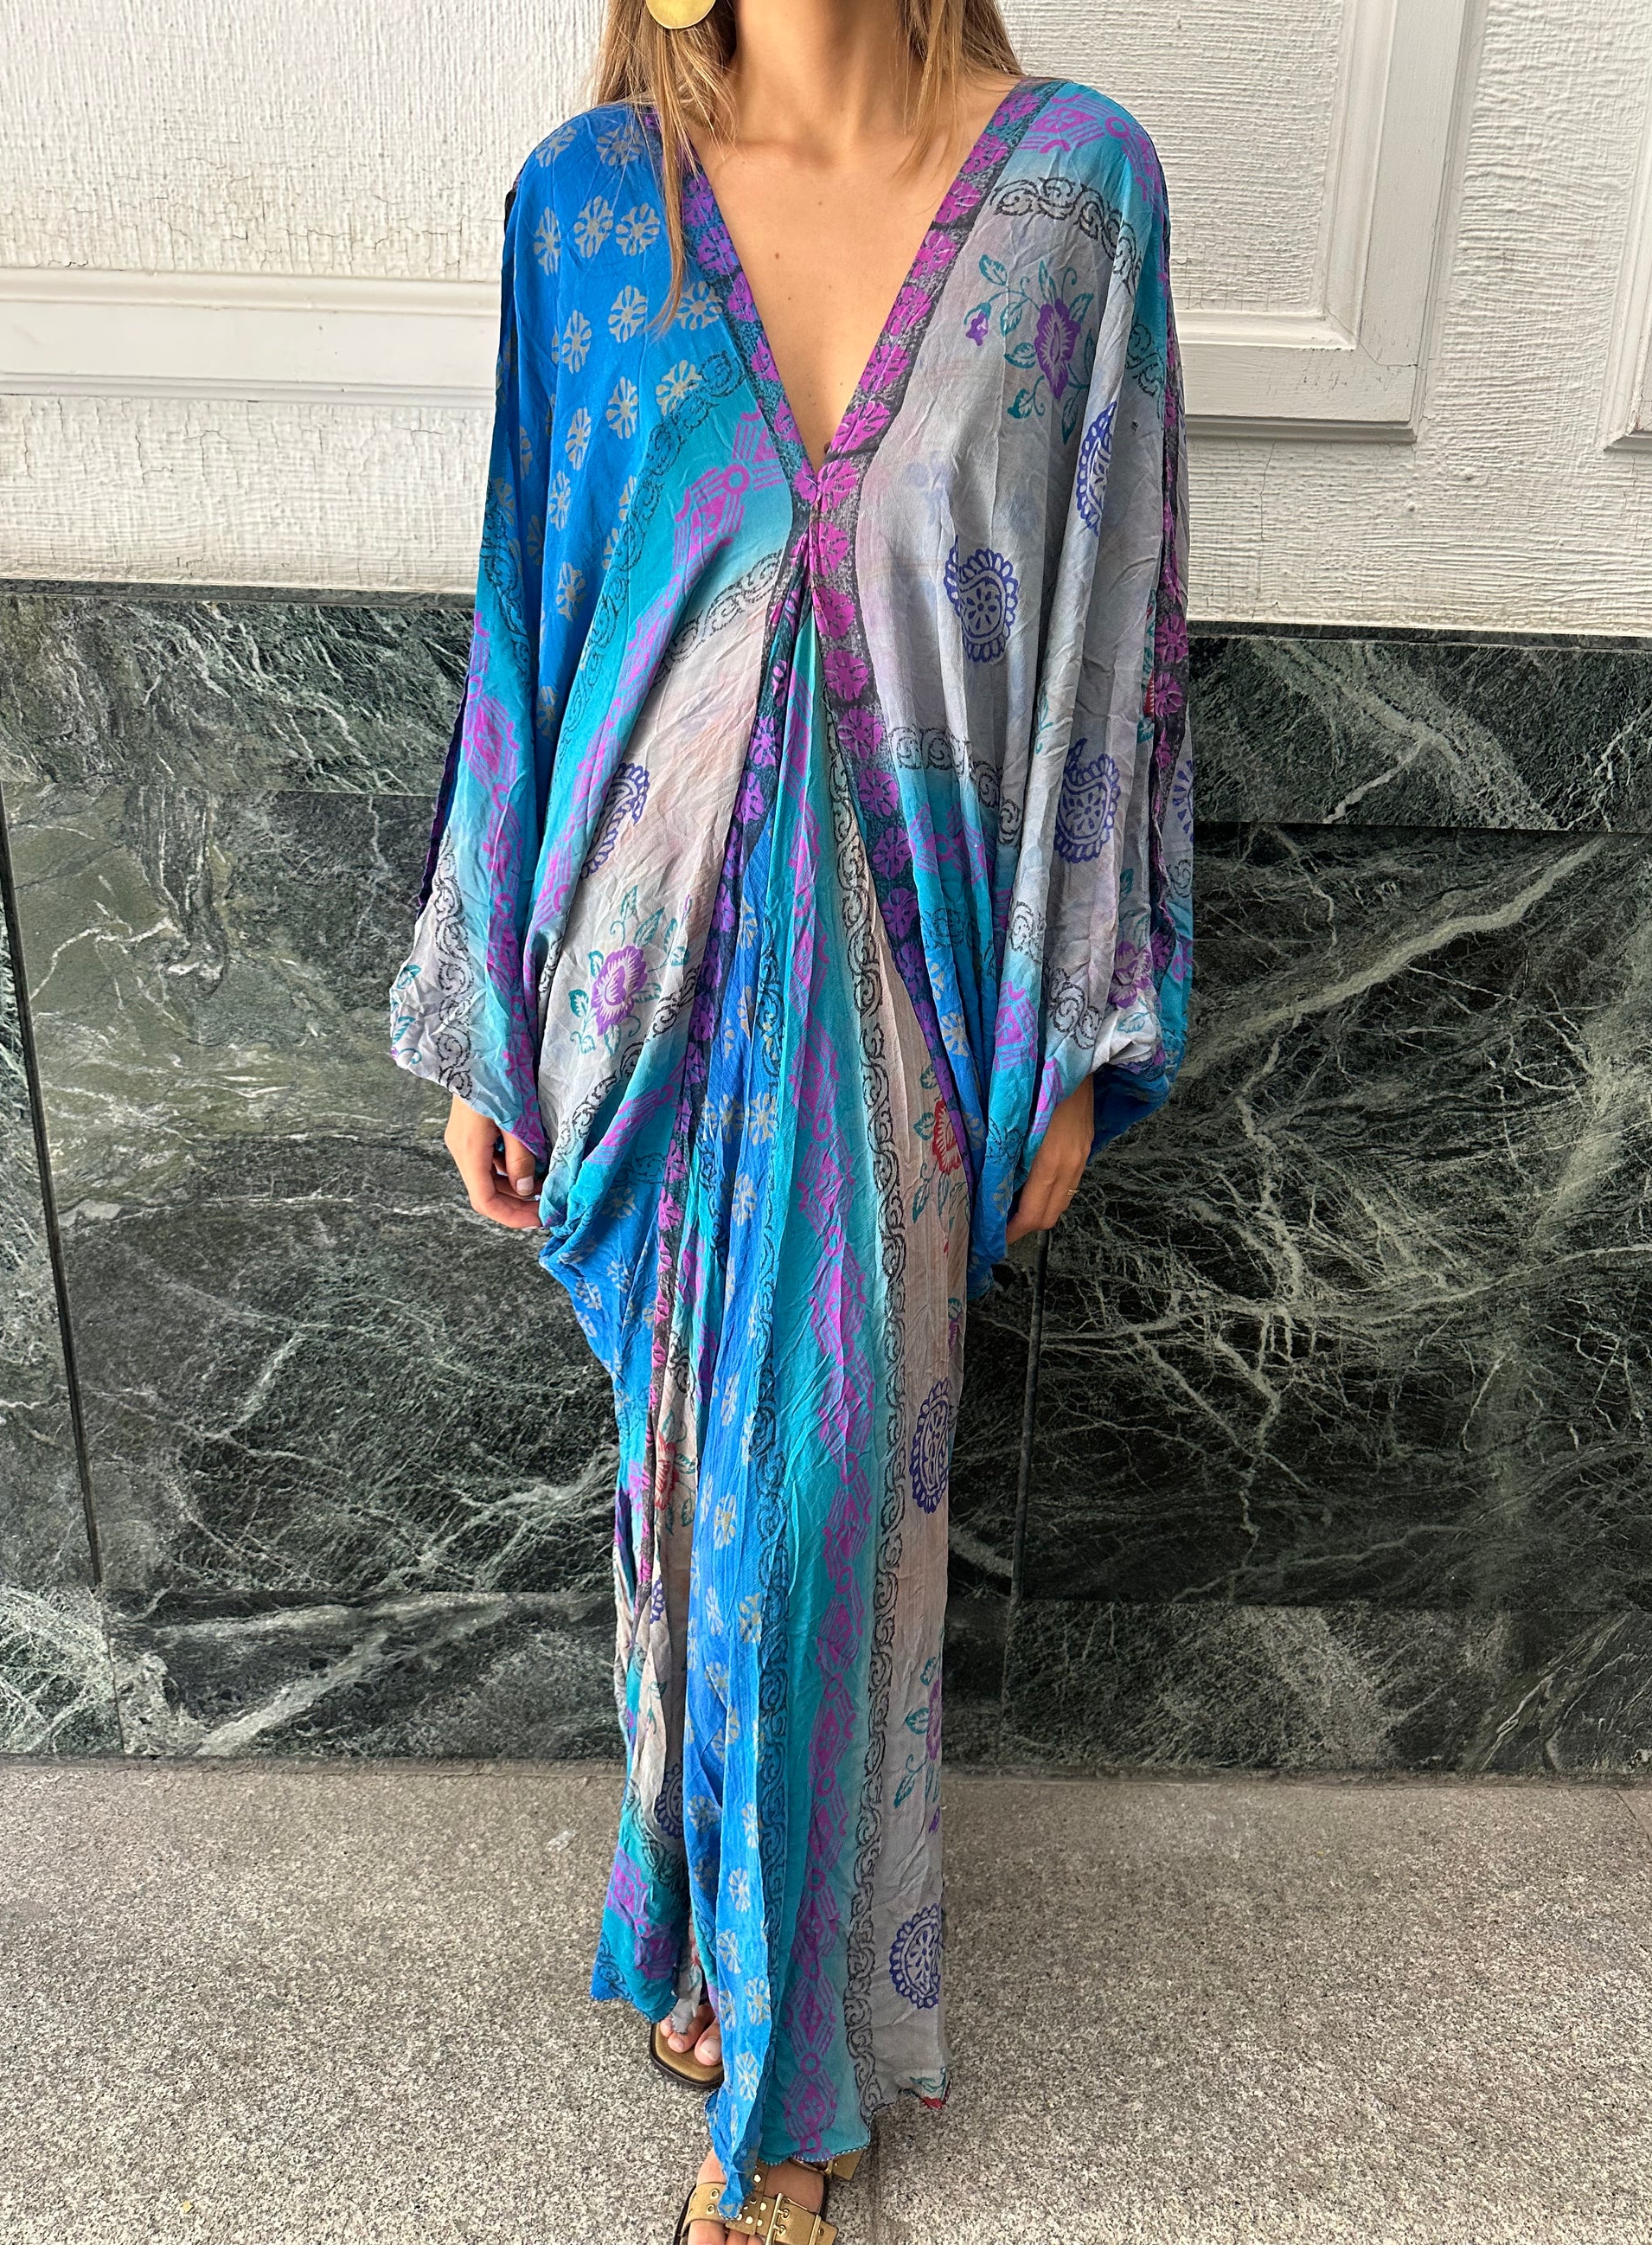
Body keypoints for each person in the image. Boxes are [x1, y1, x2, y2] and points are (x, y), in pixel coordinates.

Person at [387, 0, 1193, 2234]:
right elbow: (528, 605)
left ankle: (790, 2098)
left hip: (906, 987)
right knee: (687, 1501)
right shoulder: (588, 212)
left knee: (822, 1511)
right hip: (631, 984)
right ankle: (705, 1916)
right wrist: (488, 1009)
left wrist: (1074, 1022)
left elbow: (1114, 637)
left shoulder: (1074, 200)